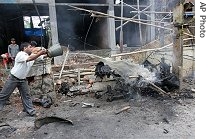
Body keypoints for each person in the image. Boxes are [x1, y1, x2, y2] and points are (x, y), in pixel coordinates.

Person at [0, 42, 47, 116]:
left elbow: (42, 57)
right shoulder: (21, 54)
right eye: (30, 47)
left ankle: (31, 111)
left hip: (23, 79)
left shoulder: (31, 55)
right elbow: (30, 58)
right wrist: (40, 52)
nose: (32, 48)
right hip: (13, 78)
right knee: (3, 95)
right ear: (25, 48)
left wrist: (47, 52)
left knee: (26, 95)